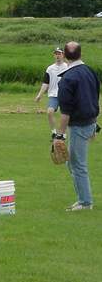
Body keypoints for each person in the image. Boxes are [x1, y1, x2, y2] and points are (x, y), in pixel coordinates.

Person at [55, 41, 100, 211]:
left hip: (80, 126)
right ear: (81, 54)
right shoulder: (90, 71)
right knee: (72, 163)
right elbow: (95, 99)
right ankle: (83, 199)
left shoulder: (67, 79)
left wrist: (59, 136)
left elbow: (65, 113)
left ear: (65, 56)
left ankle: (85, 203)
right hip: (90, 122)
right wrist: (95, 124)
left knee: (78, 165)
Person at [35, 47, 68, 138]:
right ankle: (54, 132)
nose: (57, 55)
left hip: (65, 94)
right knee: (49, 112)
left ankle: (63, 134)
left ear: (63, 55)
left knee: (65, 115)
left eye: (59, 54)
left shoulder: (67, 67)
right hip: (53, 94)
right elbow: (46, 83)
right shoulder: (50, 68)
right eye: (56, 54)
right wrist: (39, 95)